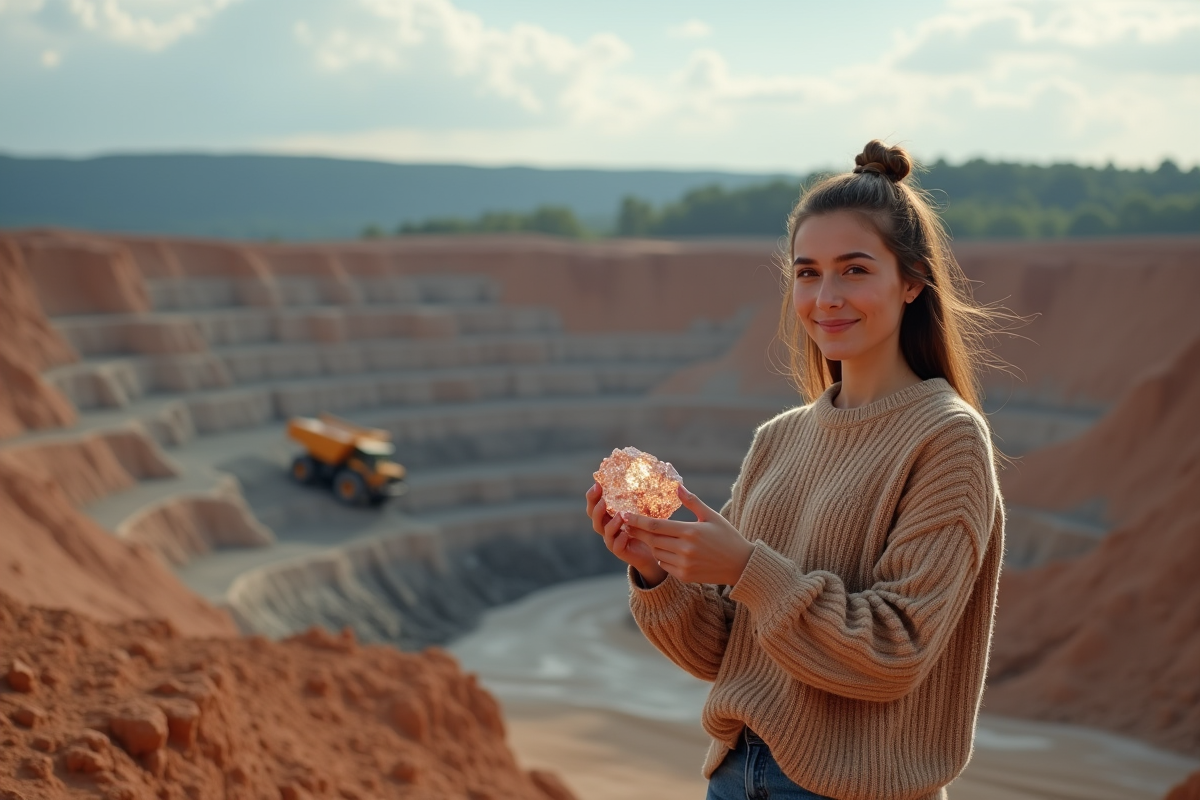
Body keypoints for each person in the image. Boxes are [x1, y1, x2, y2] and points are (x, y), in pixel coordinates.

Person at [585, 140, 1005, 800]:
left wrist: (746, 568)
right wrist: (655, 571)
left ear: (912, 282)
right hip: (733, 777)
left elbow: (896, 652)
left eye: (854, 270)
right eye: (807, 273)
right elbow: (726, 653)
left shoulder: (946, 439)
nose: (825, 297)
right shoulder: (778, 440)